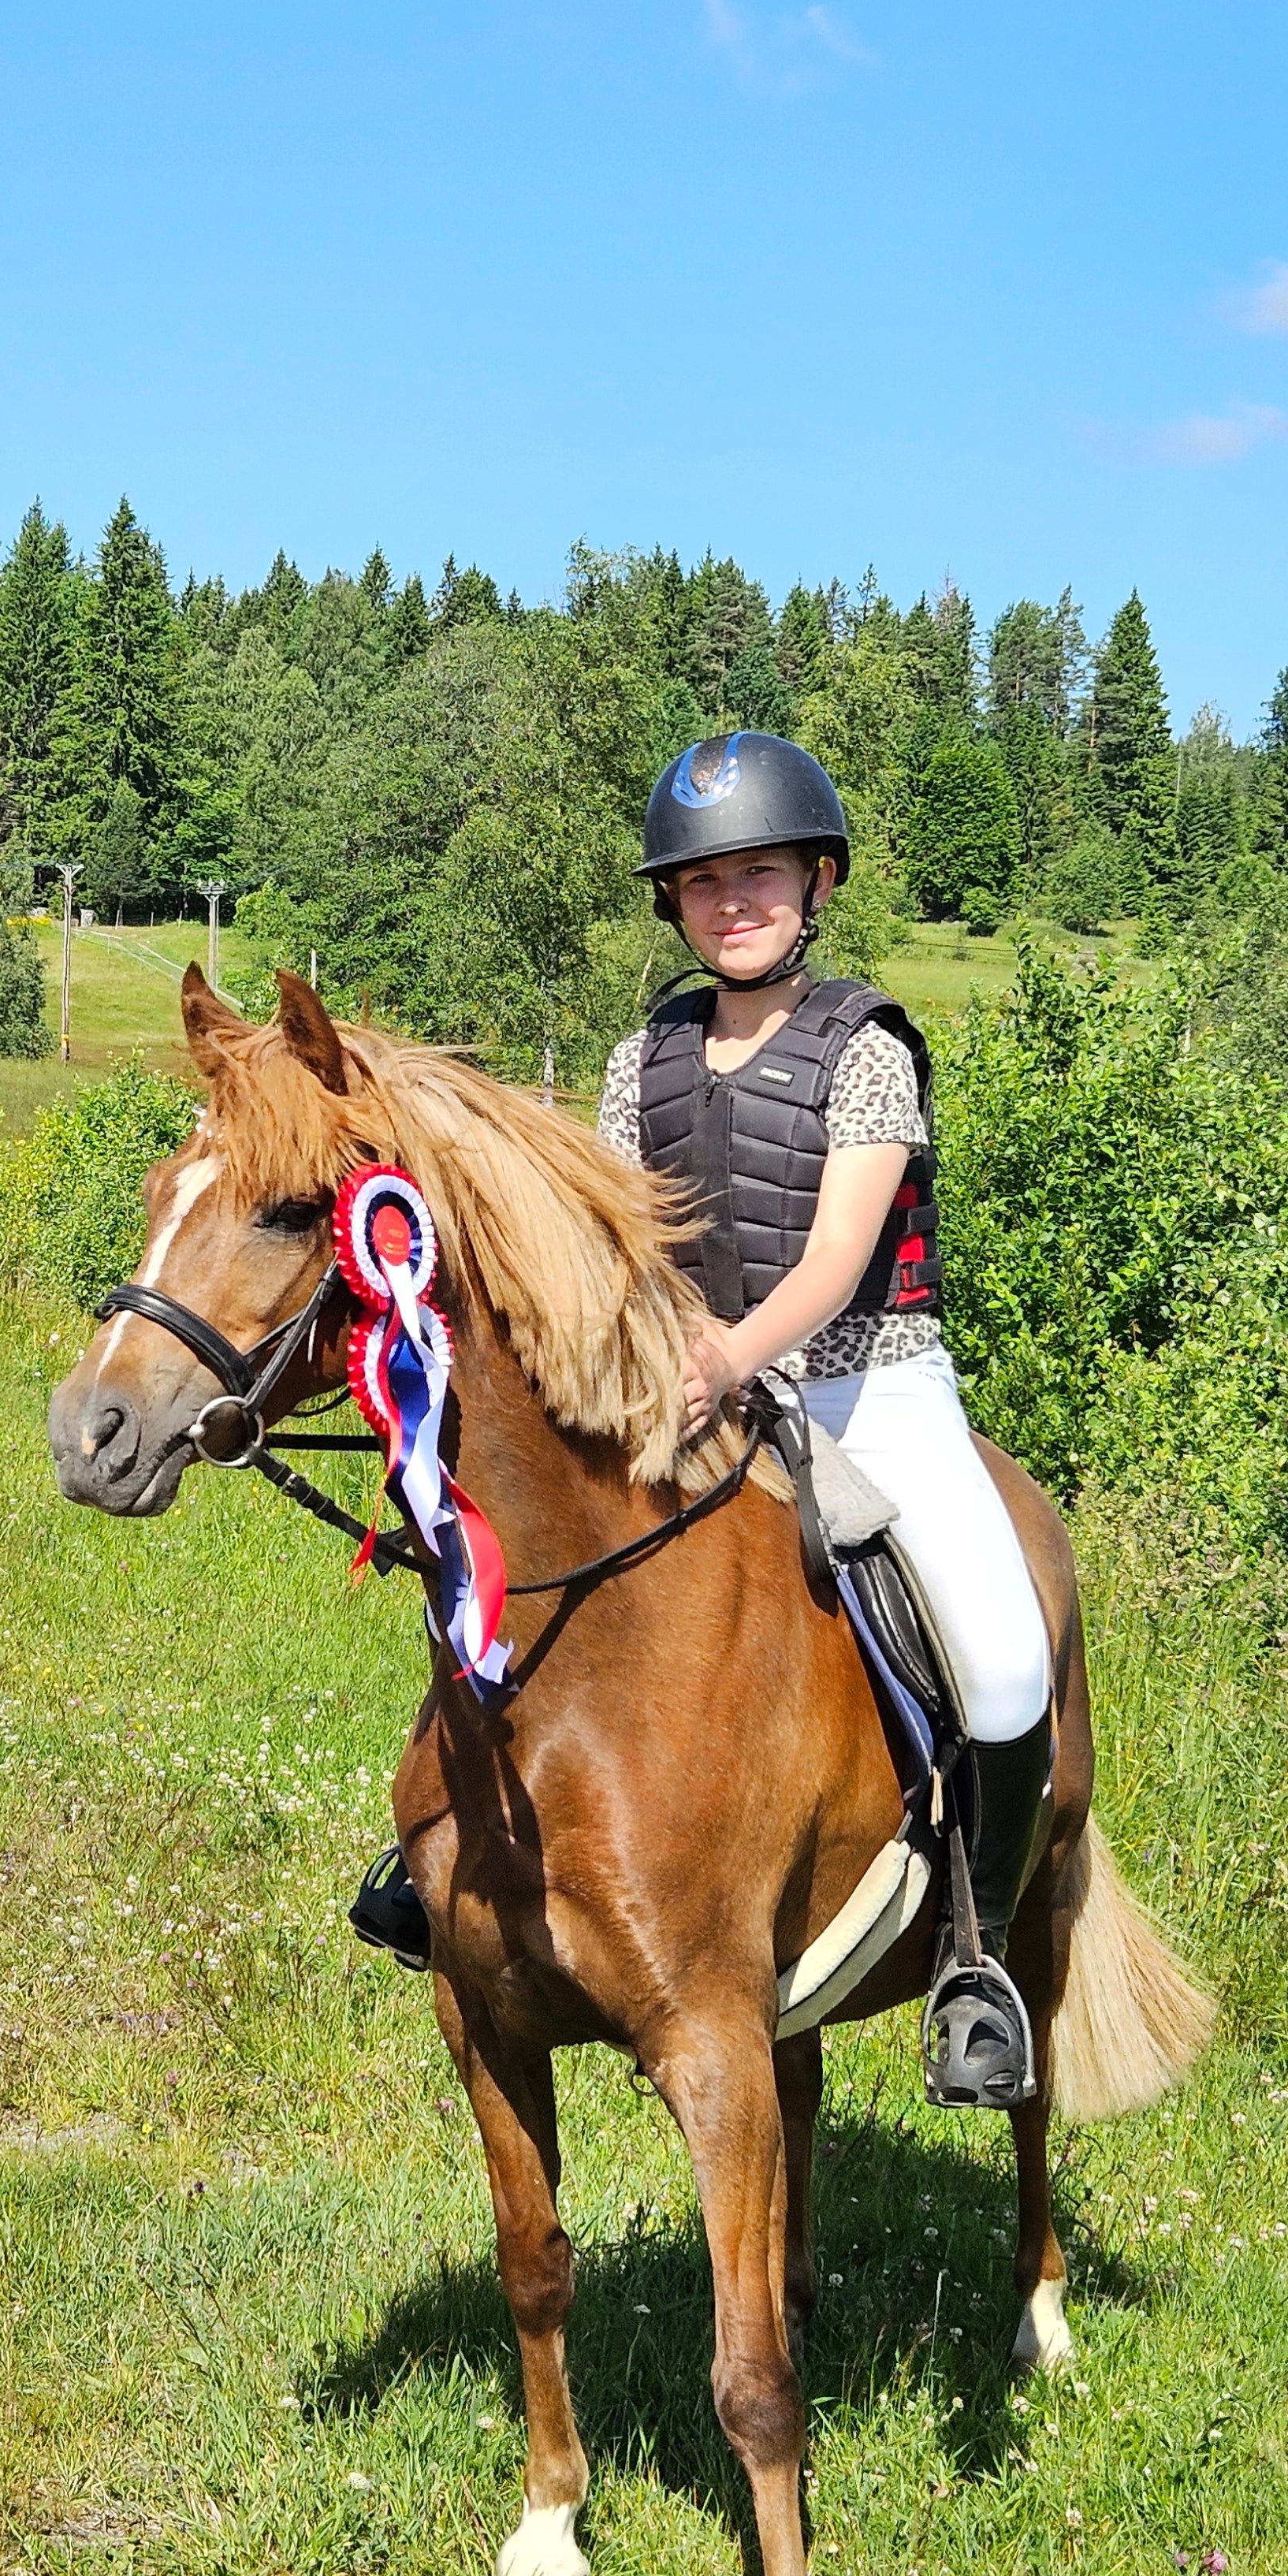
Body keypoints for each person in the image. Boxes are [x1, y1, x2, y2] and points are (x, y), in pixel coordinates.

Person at [350, 729, 1054, 2111]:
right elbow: (610, 1231)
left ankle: (976, 1955)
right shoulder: (644, 1056)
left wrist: (734, 1352)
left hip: (868, 1383)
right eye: (705, 881)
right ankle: (442, 1851)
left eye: (762, 874)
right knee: (519, 1564)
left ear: (816, 881)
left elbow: (839, 1254)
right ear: (673, 902)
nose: (734, 901)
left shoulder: (868, 1051)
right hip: (679, 1376)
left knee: (1005, 1654)